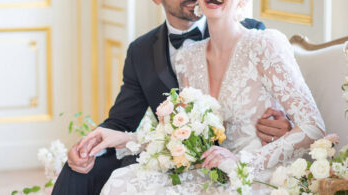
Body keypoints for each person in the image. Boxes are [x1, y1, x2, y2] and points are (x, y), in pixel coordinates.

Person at [52, 0, 292, 194]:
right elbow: (121, 122)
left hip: (239, 154)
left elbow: (278, 100)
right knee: (80, 170)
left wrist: (284, 124)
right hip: (172, 153)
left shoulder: (249, 31)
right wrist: (88, 145)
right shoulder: (141, 50)